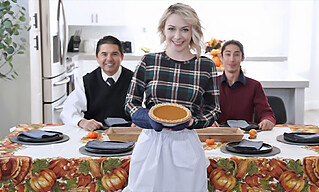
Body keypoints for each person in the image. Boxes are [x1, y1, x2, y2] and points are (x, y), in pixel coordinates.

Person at [123, 3, 220, 192]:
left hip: (186, 145)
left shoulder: (206, 66)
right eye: (171, 29)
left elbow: (213, 109)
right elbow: (130, 103)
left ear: (193, 31)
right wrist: (147, 118)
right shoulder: (149, 61)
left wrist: (193, 122)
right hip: (151, 143)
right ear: (163, 30)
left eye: (185, 29)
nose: (178, 36)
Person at [60, 35, 133, 131]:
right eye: (104, 54)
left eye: (114, 54)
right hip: (94, 135)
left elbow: (146, 109)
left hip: (126, 135)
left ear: (122, 57)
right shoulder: (86, 82)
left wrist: (141, 122)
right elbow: (67, 111)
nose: (109, 59)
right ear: (97, 58)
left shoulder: (135, 80)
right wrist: (82, 122)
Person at [214, 40, 275, 130]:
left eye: (236, 54)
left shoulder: (255, 85)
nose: (232, 59)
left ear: (242, 57)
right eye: (228, 54)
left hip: (246, 135)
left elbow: (266, 112)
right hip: (218, 134)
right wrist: (207, 121)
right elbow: (203, 111)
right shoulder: (212, 83)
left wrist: (267, 120)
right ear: (221, 57)